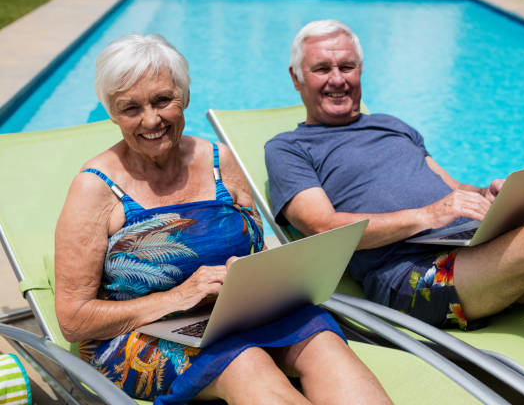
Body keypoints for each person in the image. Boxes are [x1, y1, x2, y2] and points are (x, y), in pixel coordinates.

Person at [54, 33, 392, 404]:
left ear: (184, 96)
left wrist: (255, 272)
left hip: (240, 315)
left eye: (163, 101)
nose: (151, 120)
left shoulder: (219, 161)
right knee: (246, 363)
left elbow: (257, 248)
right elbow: (73, 319)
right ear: (112, 112)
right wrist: (179, 297)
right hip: (143, 336)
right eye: (130, 108)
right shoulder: (96, 188)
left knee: (324, 344)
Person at [265, 20, 524, 359]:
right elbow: (322, 226)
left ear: (360, 70)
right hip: (409, 277)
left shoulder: (392, 125)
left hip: (470, 248)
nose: (338, 79)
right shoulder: (289, 148)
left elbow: (453, 189)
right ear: (297, 77)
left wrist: (490, 195)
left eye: (347, 66)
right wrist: (427, 215)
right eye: (322, 69)